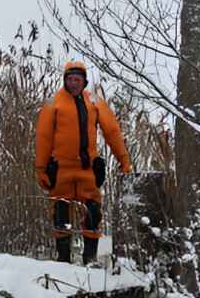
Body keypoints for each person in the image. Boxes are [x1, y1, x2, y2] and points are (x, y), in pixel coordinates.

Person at [34, 61, 133, 265]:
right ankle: (63, 260)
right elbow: (43, 137)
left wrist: (124, 160)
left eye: (77, 80)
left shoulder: (94, 101)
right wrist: (41, 169)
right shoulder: (53, 103)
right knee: (61, 213)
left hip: (88, 169)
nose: (73, 84)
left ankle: (90, 258)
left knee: (93, 211)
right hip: (61, 169)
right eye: (70, 79)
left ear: (84, 81)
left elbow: (112, 132)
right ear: (65, 80)